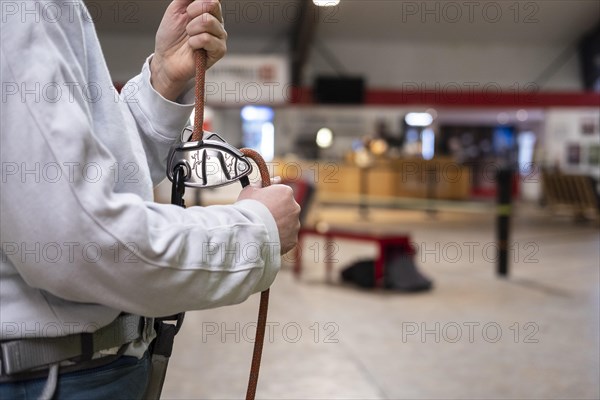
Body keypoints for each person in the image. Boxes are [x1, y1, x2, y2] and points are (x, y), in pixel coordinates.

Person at [0, 0, 301, 398]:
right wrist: (254, 233)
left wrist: (162, 79)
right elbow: (77, 244)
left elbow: (87, 176)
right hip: (51, 381)